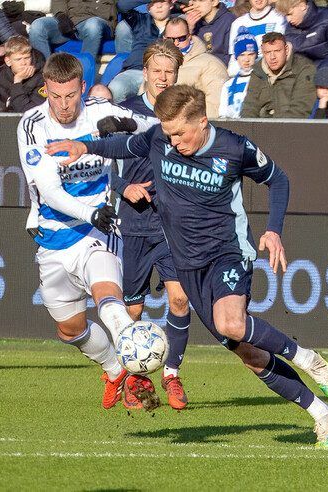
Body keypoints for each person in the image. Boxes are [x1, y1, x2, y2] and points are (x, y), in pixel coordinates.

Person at [48, 84, 328, 447]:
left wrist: (273, 230)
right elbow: (125, 146)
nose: (172, 141)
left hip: (226, 253)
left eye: (179, 133)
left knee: (232, 323)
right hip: (187, 265)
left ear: (202, 121)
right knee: (250, 355)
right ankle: (321, 413)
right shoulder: (159, 137)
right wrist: (84, 147)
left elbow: (277, 180)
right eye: (168, 133)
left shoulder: (233, 147)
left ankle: (307, 357)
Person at [16, 53, 162, 411]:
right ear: (45, 91)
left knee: (107, 293)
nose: (63, 105)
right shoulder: (32, 125)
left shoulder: (99, 111)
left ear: (82, 88)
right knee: (70, 330)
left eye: (70, 95)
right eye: (55, 96)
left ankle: (136, 351)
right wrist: (89, 211)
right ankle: (115, 369)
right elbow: (50, 191)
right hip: (53, 234)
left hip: (99, 230)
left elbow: (157, 128)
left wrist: (130, 128)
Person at [112, 40, 197, 409]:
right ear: (144, 72)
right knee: (132, 311)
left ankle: (172, 375)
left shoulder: (186, 113)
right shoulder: (123, 113)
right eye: (157, 71)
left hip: (169, 226)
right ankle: (135, 381)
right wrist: (123, 187)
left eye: (170, 72)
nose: (163, 77)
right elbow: (100, 167)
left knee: (180, 298)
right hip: (132, 226)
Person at [109, 0, 173, 103]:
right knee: (116, 88)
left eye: (163, 2)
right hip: (135, 70)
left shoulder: (177, 24)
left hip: (162, 74)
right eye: (154, 3)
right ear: (148, 8)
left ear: (171, 5)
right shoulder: (141, 20)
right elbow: (121, 5)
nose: (159, 6)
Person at [240, 31, 316, 118]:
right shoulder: (258, 72)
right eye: (267, 52)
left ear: (286, 49)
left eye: (277, 51)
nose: (272, 57)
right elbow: (249, 107)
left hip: (291, 128)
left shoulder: (304, 69)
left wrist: (276, 129)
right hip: (260, 128)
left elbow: (300, 109)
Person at [163, 17, 227, 118]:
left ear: (189, 37)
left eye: (181, 38)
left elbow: (214, 106)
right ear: (164, 39)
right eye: (171, 39)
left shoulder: (210, 64)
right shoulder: (156, 63)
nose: (176, 43)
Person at [276, 0, 328, 75]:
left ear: (302, 6)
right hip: (302, 75)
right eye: (285, 16)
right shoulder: (290, 28)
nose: (288, 20)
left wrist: (323, 71)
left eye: (290, 14)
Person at [28, 0, 118, 60]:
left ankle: (83, 78)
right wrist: (61, 16)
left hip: (99, 21)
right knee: (38, 26)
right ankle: (45, 77)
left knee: (93, 25)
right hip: (71, 21)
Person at [0, 35, 46, 112]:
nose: (23, 63)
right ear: (8, 61)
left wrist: (17, 83)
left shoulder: (41, 77)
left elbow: (30, 112)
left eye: (27, 58)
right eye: (18, 59)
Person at [227, 0, 286, 76]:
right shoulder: (237, 23)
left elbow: (280, 54)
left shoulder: (279, 18)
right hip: (244, 77)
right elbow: (232, 65)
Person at [220, 28, 258, 118]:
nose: (246, 59)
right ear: (236, 57)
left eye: (250, 54)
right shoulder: (228, 85)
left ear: (256, 55)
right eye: (242, 55)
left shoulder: (261, 80)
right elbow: (222, 114)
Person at [184, 0, 236, 64]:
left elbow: (230, 55)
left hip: (221, 68)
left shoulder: (229, 20)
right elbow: (187, 53)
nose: (196, 5)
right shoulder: (194, 23)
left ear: (214, 2)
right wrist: (189, 29)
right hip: (199, 67)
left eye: (201, 1)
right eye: (194, 0)